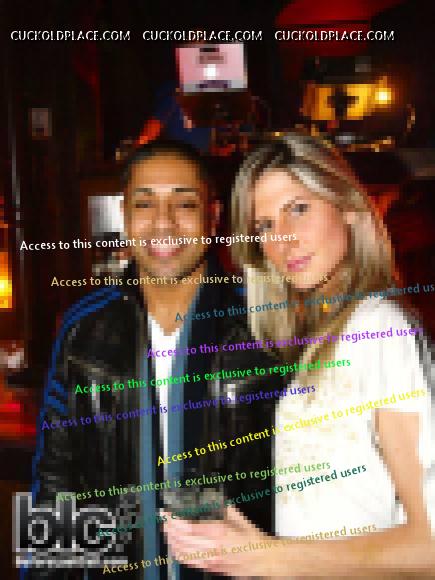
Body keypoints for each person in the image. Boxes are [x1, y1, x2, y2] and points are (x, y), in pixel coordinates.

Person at [162, 132, 435, 577]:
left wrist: (263, 555)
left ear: (348, 206)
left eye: (298, 208)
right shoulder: (320, 338)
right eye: (265, 225)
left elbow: (430, 548)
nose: (283, 239)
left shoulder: (380, 327)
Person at [26, 140, 237, 579]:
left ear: (212, 217)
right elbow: (57, 480)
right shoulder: (85, 328)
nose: (163, 222)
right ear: (124, 216)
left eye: (184, 204)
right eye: (144, 204)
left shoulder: (261, 324)